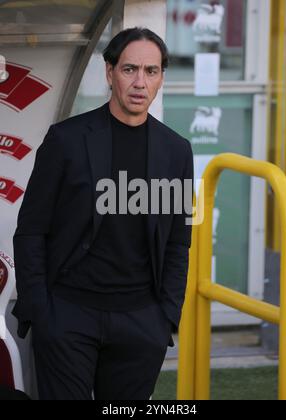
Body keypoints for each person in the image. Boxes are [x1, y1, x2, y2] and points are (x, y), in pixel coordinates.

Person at [12, 27, 194, 400]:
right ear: (109, 72)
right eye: (129, 70)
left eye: (151, 71)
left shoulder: (177, 151)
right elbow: (31, 230)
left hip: (141, 322)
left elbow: (178, 240)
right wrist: (43, 314)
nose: (140, 82)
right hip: (68, 315)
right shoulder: (66, 140)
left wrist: (164, 318)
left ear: (161, 77)